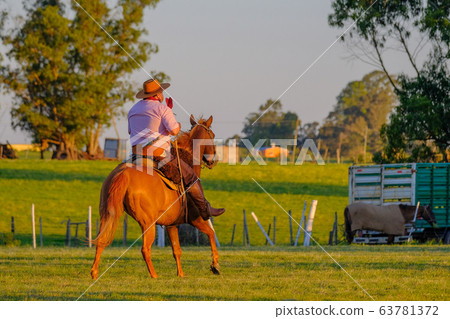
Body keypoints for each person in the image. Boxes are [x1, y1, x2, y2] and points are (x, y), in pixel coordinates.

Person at [128, 78, 225, 220]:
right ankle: (205, 210)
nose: (162, 94)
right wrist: (176, 123)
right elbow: (174, 131)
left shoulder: (133, 109)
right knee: (191, 176)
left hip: (136, 155)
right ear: (157, 95)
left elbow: (132, 131)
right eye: (161, 91)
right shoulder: (162, 108)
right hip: (159, 155)